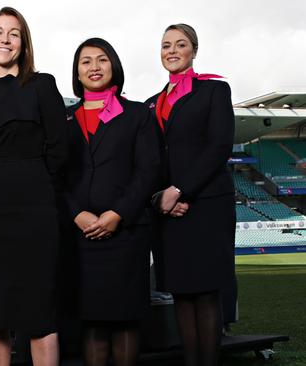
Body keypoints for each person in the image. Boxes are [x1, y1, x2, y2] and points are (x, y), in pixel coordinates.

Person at [0, 7, 67, 366]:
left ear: (24, 45)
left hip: (36, 211)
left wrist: (36, 189)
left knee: (39, 313)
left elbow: (60, 149)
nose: (4, 39)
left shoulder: (42, 85)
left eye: (14, 33)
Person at [61, 38, 160, 366]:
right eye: (85, 61)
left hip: (126, 235)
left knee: (125, 322)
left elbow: (148, 170)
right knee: (92, 323)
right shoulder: (64, 119)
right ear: (77, 71)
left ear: (113, 66)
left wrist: (118, 213)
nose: (93, 67)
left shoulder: (136, 114)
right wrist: (76, 214)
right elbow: (57, 174)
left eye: (101, 60)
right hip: (80, 236)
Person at [147, 23, 235, 366]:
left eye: (180, 44)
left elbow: (219, 147)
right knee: (182, 293)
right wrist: (160, 198)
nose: (172, 50)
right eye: (166, 45)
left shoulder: (214, 91)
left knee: (207, 294)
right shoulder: (152, 102)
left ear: (193, 51)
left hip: (207, 204)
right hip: (168, 210)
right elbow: (150, 160)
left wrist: (181, 190)